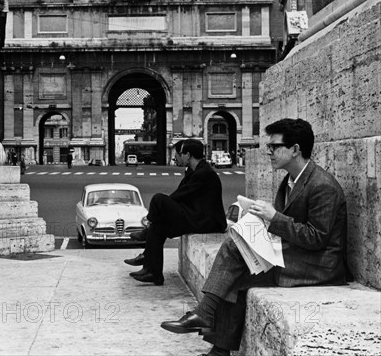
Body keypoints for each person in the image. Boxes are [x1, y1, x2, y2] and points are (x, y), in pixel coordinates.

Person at [160, 118, 349, 356]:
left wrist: (273, 218)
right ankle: (216, 344)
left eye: (274, 146)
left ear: (295, 149)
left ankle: (206, 316)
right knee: (236, 261)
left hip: (318, 265)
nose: (268, 152)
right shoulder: (291, 179)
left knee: (234, 258)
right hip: (297, 254)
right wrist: (258, 221)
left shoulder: (323, 185)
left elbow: (317, 237)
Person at [127, 139, 227, 285]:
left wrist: (165, 205)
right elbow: (181, 195)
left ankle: (146, 235)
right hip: (196, 216)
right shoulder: (193, 171)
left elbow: (179, 195)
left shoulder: (204, 173)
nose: (177, 158)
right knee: (158, 228)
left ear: (188, 155)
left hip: (206, 221)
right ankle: (153, 272)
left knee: (158, 199)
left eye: (179, 154)